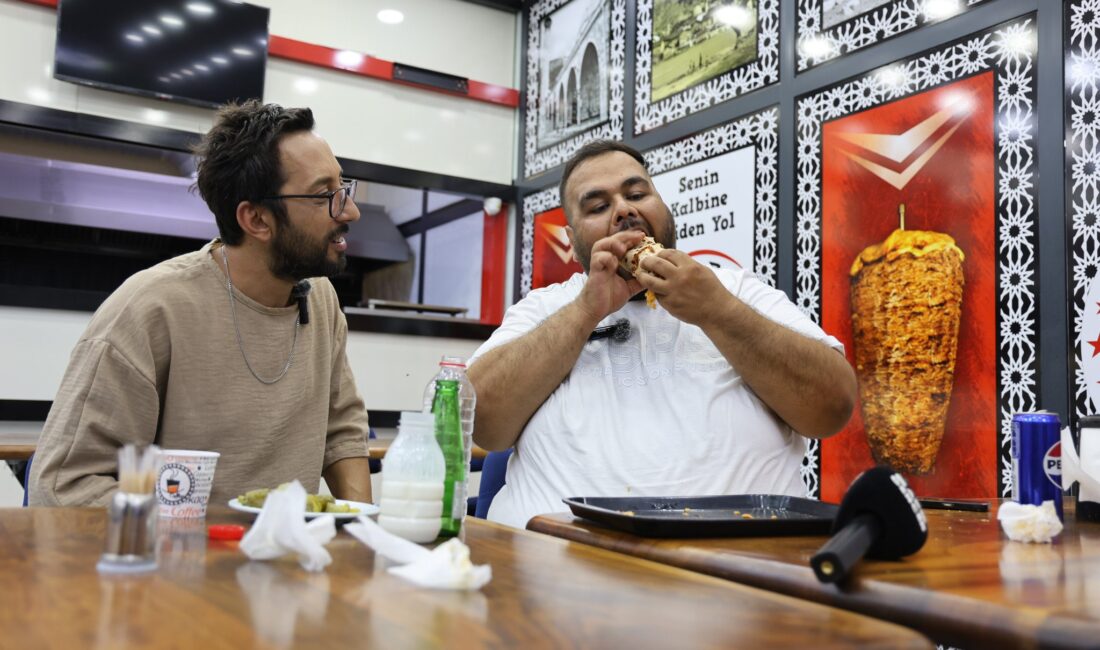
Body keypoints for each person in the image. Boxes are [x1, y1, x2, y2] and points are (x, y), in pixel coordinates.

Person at [467, 140, 857, 528]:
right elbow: (480, 422)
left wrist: (717, 310)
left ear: (663, 207)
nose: (624, 210)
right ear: (572, 241)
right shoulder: (545, 309)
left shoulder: (736, 291)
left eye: (637, 193)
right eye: (598, 207)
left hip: (738, 568)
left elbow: (832, 408)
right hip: (556, 568)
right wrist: (586, 312)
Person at [29, 101, 373, 506]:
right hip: (178, 560)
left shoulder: (321, 299)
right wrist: (207, 544)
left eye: (342, 187)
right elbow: (63, 486)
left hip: (289, 559)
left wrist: (362, 530)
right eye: (323, 196)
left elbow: (341, 431)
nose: (350, 209)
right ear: (257, 220)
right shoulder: (151, 308)